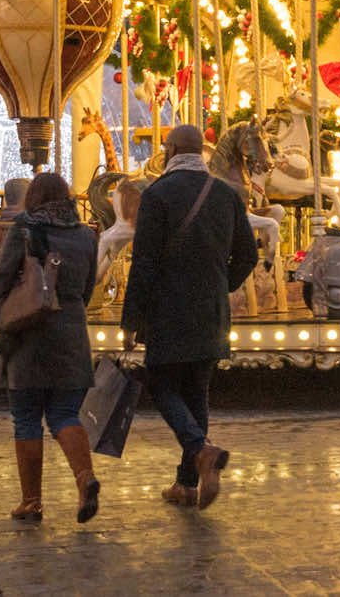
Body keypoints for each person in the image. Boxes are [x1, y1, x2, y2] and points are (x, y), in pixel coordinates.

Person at [122, 123, 257, 510]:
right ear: (201, 152)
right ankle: (186, 484)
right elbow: (248, 254)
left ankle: (200, 449)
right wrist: (221, 284)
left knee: (162, 385)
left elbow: (144, 263)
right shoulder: (226, 194)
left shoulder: (157, 195)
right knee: (197, 391)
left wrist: (131, 320)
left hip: (168, 309)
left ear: (170, 151)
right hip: (211, 310)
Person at [0, 171, 100, 524]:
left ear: (33, 197)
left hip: (28, 337)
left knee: (26, 418)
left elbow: (3, 277)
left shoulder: (24, 228)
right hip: (72, 336)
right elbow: (88, 287)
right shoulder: (86, 235)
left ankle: (31, 502)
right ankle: (85, 478)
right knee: (65, 414)